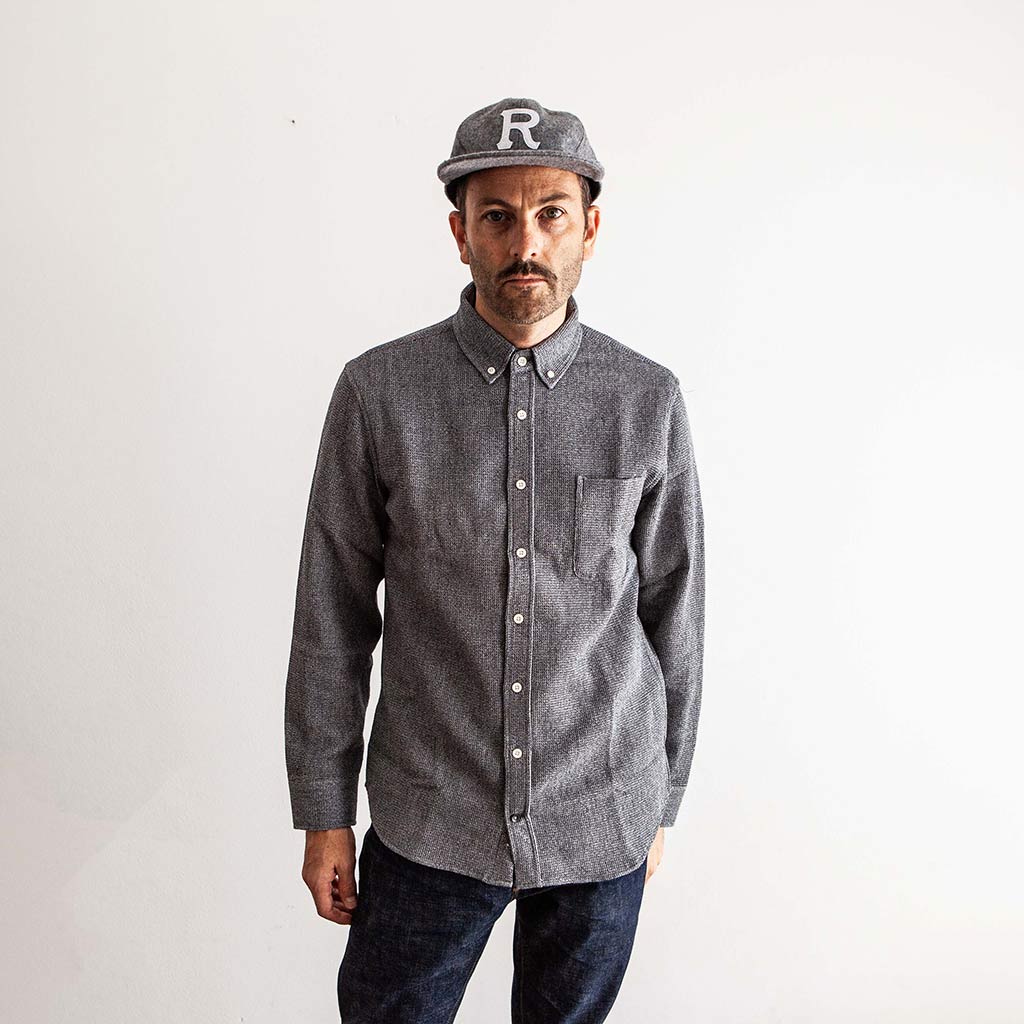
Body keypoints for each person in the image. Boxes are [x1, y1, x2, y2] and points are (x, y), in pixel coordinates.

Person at [284, 96, 706, 1023]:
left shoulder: (648, 400)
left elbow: (676, 610)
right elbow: (331, 616)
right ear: (460, 233)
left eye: (552, 213)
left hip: (601, 810)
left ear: (589, 228)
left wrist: (661, 801)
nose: (527, 242)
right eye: (498, 217)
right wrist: (324, 812)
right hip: (430, 814)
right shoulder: (378, 393)